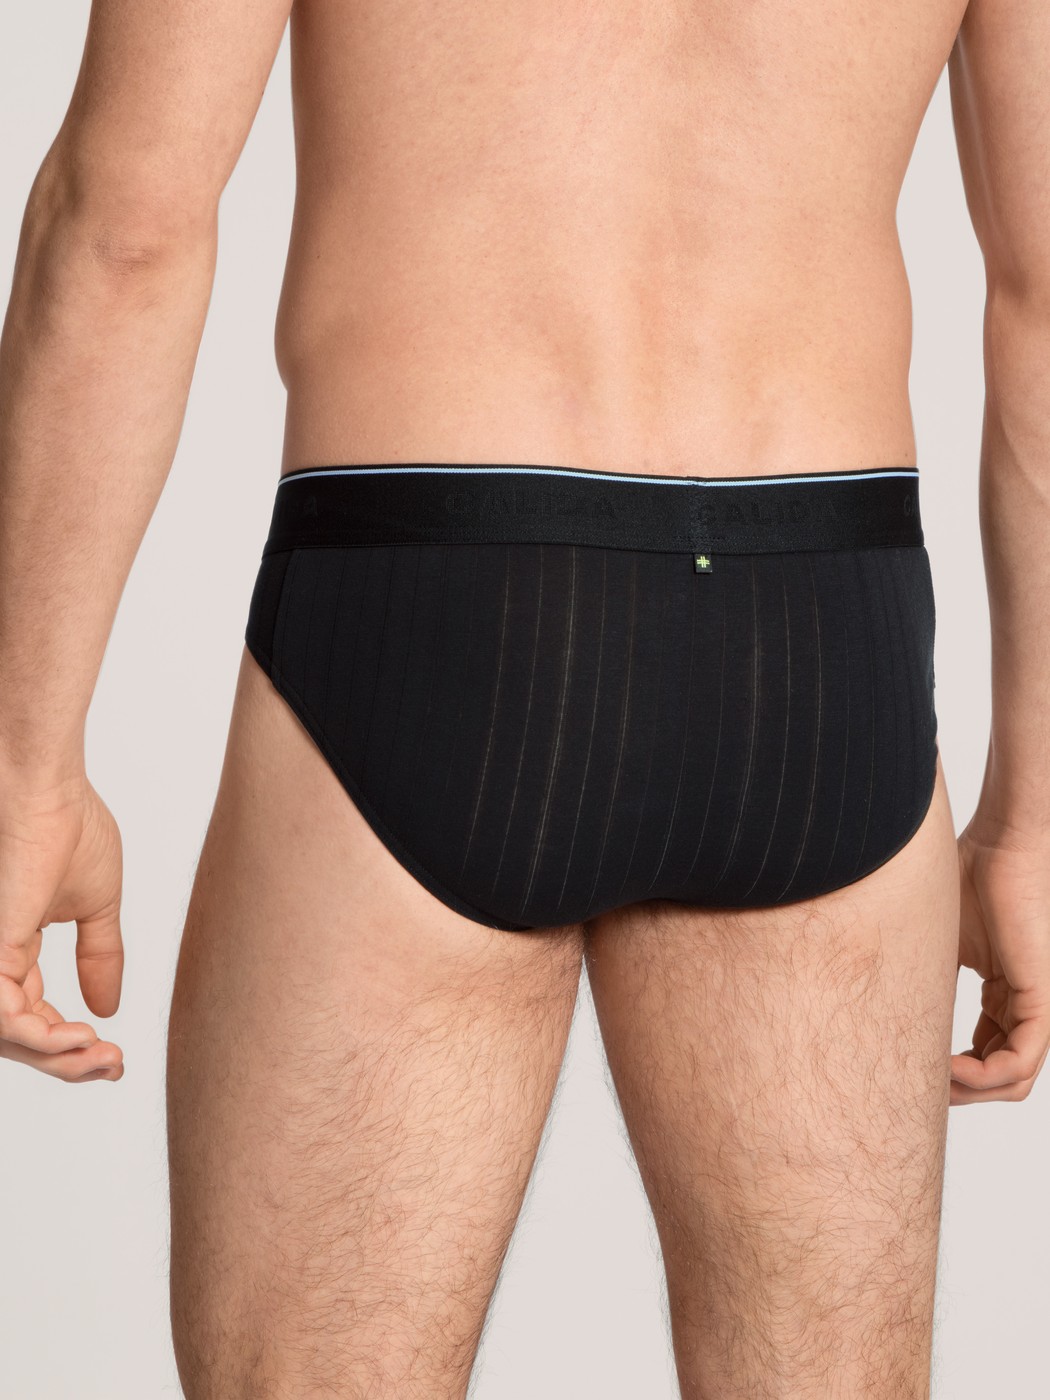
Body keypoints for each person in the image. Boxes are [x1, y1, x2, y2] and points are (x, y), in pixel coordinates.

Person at [1, 0, 1047, 1394]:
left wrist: (24, 763)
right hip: (817, 636)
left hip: (439, 595)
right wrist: (1030, 815)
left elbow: (122, 228)